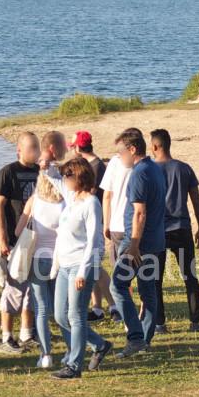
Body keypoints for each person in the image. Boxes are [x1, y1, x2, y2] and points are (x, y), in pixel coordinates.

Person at [50, 157, 112, 379]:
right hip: (65, 266)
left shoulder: (91, 203)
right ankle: (100, 344)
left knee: (76, 316)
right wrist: (46, 164)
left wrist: (84, 272)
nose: (64, 180)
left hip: (81, 266)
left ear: (79, 177)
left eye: (68, 175)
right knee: (60, 315)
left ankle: (74, 366)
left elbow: (95, 242)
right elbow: (53, 179)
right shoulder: (72, 198)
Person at [110, 127, 166, 357]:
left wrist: (133, 245)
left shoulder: (139, 173)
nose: (119, 157)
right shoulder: (154, 168)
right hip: (154, 240)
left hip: (139, 242)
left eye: (121, 152)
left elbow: (140, 213)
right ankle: (144, 339)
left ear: (133, 149)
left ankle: (135, 337)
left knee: (117, 285)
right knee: (148, 291)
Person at [149, 129, 199, 333]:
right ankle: (196, 322)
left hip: (158, 231)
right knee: (189, 276)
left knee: (156, 279)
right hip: (181, 228)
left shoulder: (149, 170)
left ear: (155, 146)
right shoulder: (184, 168)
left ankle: (159, 323)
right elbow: (196, 201)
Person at [14, 165, 66, 369]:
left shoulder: (33, 201)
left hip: (37, 258)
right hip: (58, 260)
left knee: (41, 309)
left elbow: (19, 231)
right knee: (60, 308)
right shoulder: (64, 202)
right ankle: (70, 350)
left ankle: (45, 354)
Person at [0, 132, 41, 353]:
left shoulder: (40, 171)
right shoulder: (8, 172)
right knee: (13, 289)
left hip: (35, 239)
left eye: (37, 147)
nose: (35, 151)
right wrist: (2, 238)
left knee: (31, 289)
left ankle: (26, 333)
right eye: (31, 147)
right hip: (15, 240)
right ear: (19, 150)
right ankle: (6, 337)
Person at [72, 130, 111, 321]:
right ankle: (97, 307)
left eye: (74, 148)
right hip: (94, 220)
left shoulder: (94, 168)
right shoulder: (95, 164)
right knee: (93, 268)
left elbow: (91, 195)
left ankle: (115, 306)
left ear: (79, 148)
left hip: (95, 221)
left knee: (95, 267)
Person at [99, 147, 133, 325]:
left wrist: (106, 222)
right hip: (134, 225)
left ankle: (125, 311)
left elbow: (107, 196)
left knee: (119, 273)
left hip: (117, 226)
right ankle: (135, 309)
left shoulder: (114, 162)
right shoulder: (141, 163)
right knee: (138, 272)